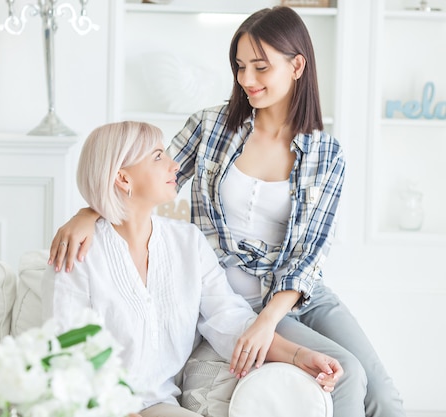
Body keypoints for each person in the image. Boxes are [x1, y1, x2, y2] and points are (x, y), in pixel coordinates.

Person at [48, 6, 406, 417]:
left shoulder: (327, 154)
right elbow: (140, 180)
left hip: (295, 293)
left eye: (260, 67)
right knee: (349, 377)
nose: (246, 80)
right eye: (239, 67)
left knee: (384, 395)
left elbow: (309, 253)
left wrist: (268, 320)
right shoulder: (211, 126)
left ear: (297, 65)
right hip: (233, 293)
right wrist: (86, 212)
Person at [42, 121, 343, 417]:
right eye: (158, 156)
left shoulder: (187, 242)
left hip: (159, 405)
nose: (174, 165)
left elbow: (229, 319)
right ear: (123, 179)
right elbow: (64, 356)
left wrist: (299, 355)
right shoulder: (77, 254)